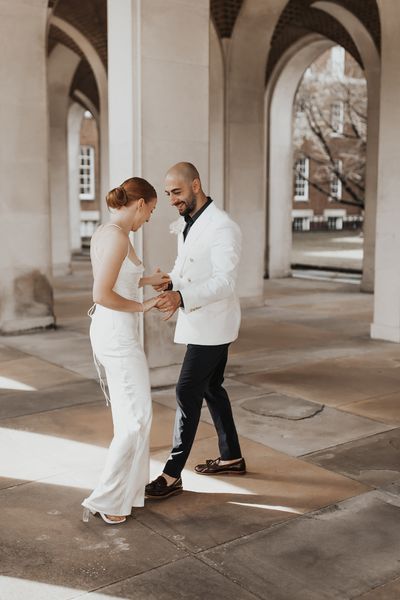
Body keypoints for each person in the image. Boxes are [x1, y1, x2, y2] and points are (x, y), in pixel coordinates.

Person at [145, 162, 246, 500]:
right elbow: (187, 266)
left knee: (187, 391)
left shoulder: (223, 227)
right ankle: (231, 456)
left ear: (196, 185)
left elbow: (225, 282)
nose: (172, 200)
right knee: (212, 388)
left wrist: (181, 296)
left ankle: (172, 474)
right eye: (168, 194)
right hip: (201, 321)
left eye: (177, 192)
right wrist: (171, 280)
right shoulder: (189, 222)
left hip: (214, 324)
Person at [82, 177, 169, 524]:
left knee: (133, 417)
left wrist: (149, 280)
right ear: (140, 204)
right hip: (117, 335)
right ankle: (105, 498)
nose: (148, 219)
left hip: (112, 332)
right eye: (150, 212)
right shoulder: (118, 238)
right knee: (135, 420)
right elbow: (101, 294)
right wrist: (144, 306)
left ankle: (126, 496)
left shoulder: (109, 232)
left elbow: (119, 279)